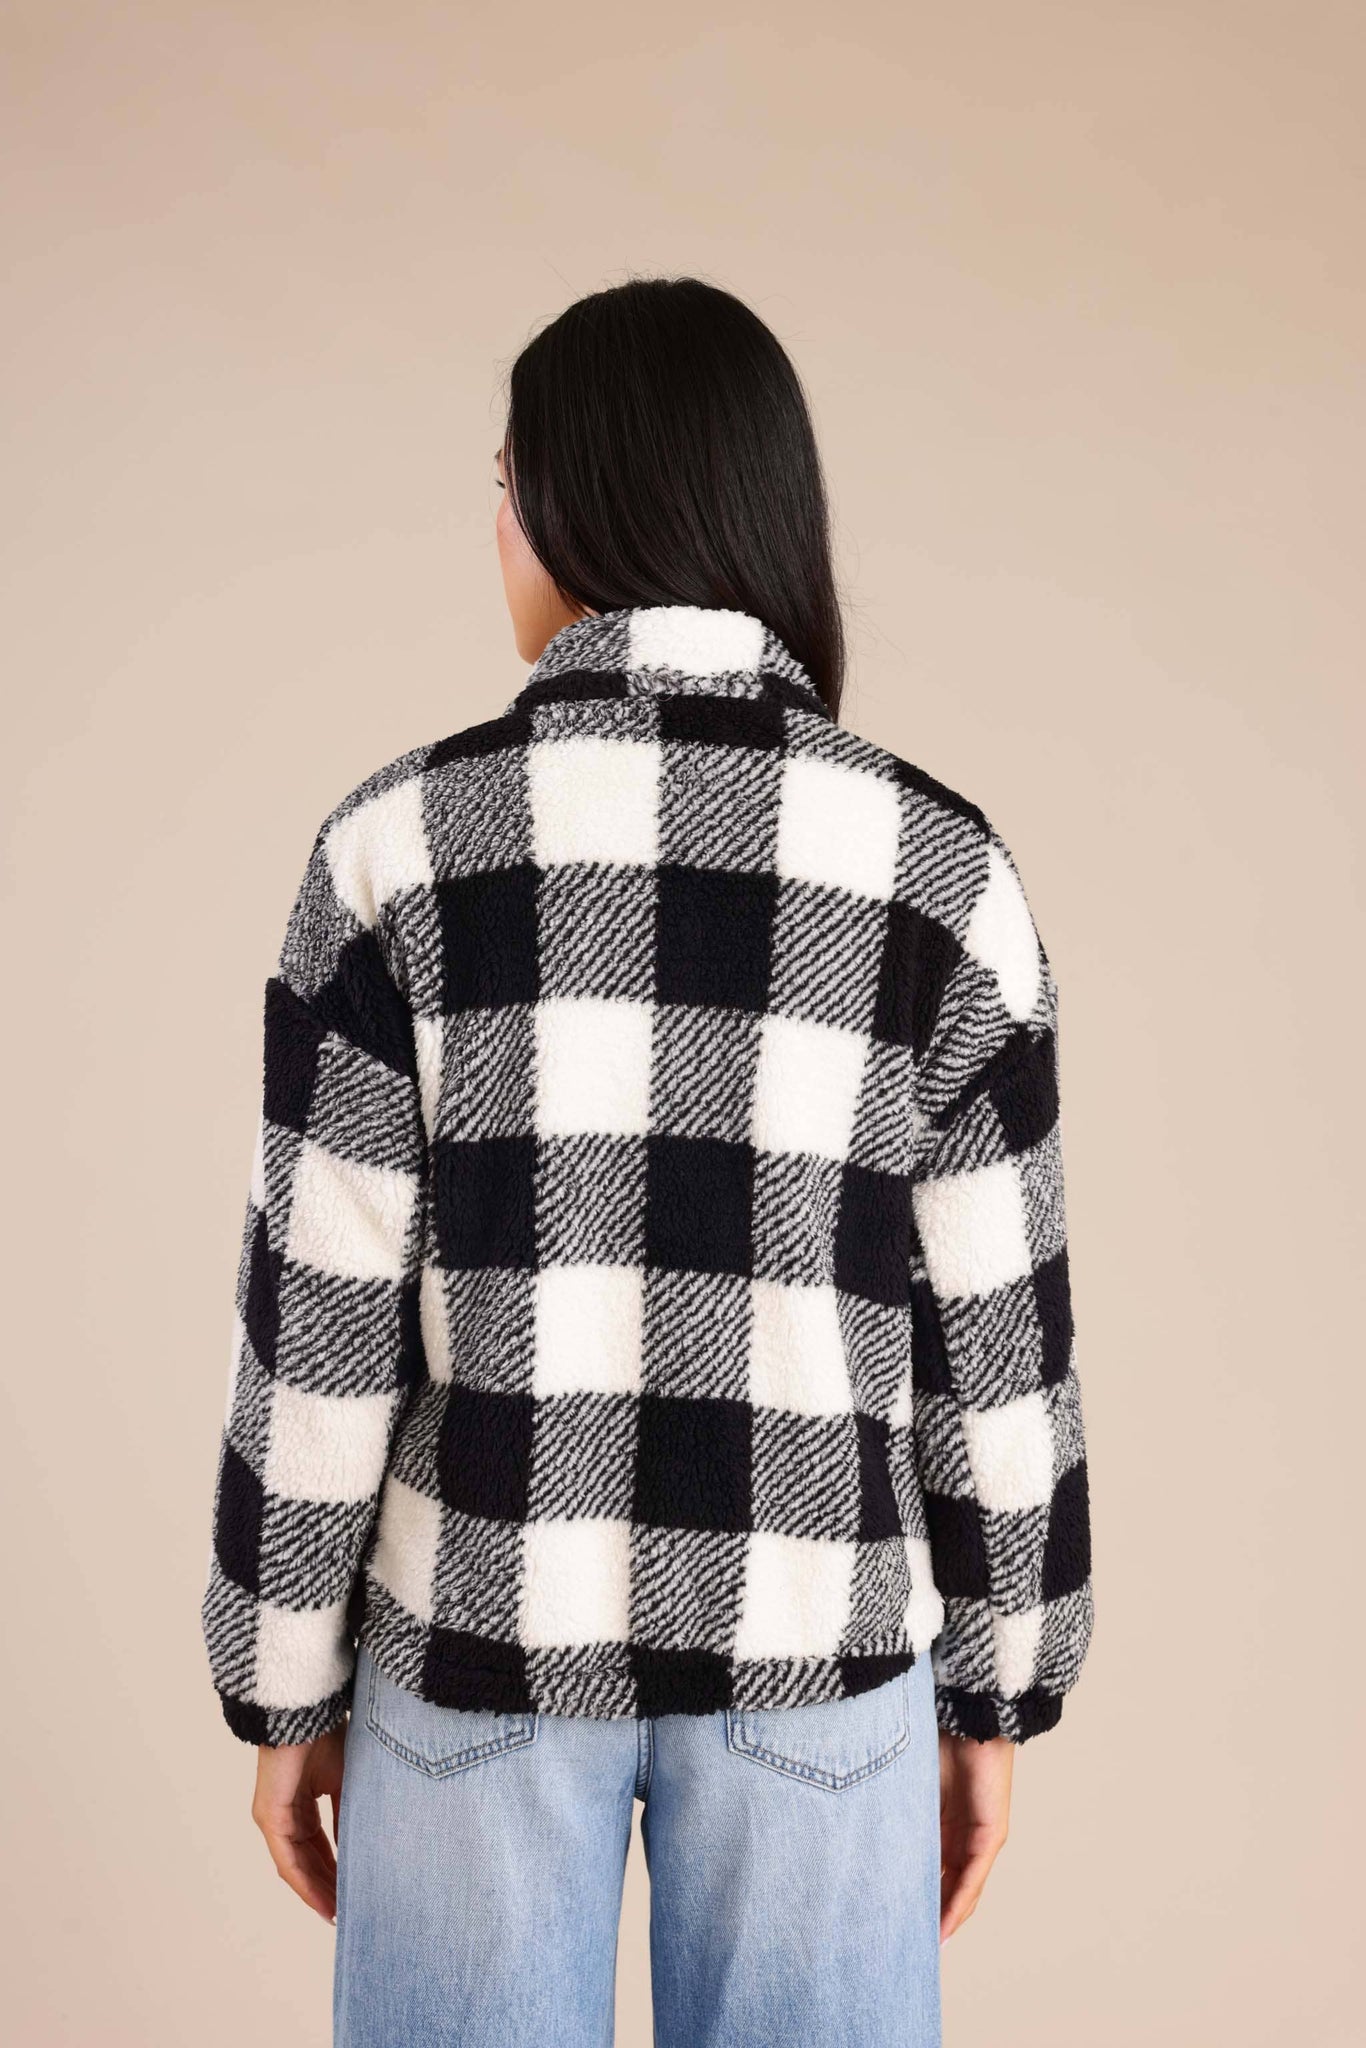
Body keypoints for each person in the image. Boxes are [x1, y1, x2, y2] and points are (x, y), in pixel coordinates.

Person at [200, 274, 1093, 2048]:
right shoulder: (939, 870)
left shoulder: (395, 850)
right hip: (816, 1661)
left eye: (501, 490)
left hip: (469, 1652)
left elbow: (320, 1333)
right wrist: (996, 1691)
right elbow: (996, 1352)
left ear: (559, 505)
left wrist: (281, 1683)